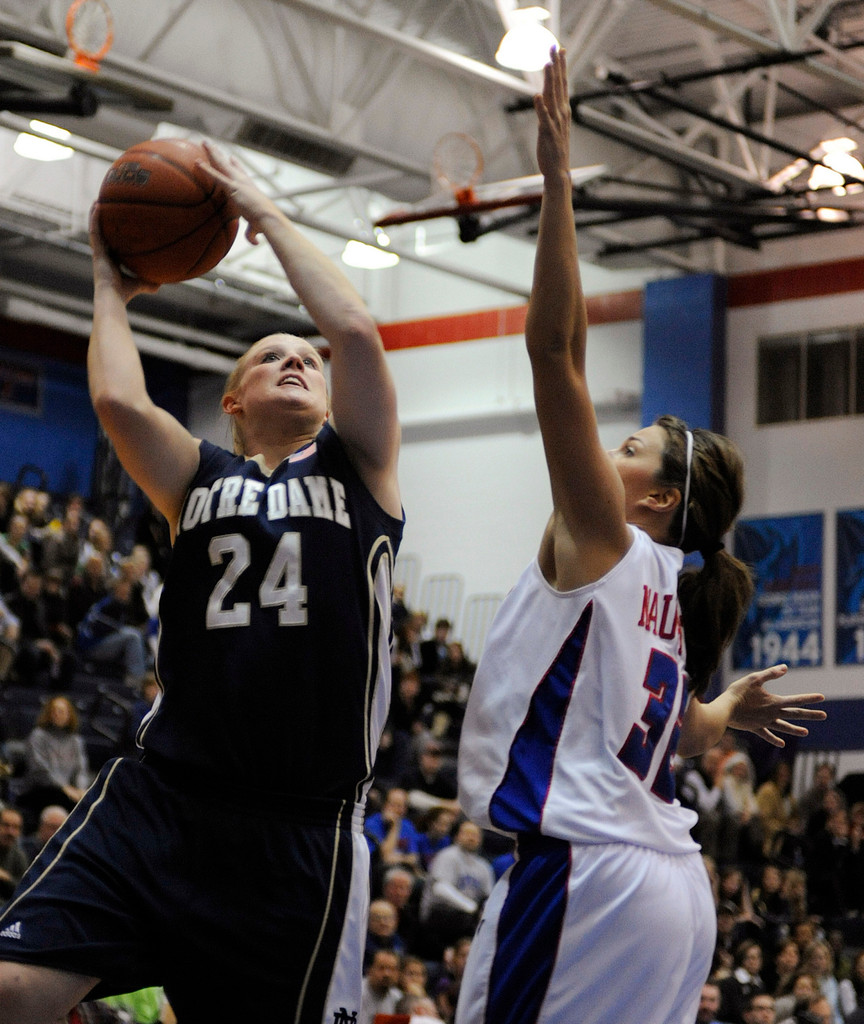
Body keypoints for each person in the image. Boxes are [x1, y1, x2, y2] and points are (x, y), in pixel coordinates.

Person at [452, 49, 826, 1024]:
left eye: (631, 445)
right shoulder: (666, 576)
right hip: (670, 889)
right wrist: (715, 716)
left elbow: (554, 351)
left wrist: (557, 182)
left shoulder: (608, 538)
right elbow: (660, 728)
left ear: (659, 498)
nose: (608, 445)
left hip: (585, 874)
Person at [0, 140, 402, 1024]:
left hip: (296, 829)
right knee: (12, 990)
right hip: (164, 797)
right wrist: (111, 283)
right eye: (270, 357)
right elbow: (118, 405)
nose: (298, 360)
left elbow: (357, 331)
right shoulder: (200, 478)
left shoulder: (360, 468)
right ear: (232, 399)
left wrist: (258, 208)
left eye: (308, 358)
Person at [419, 820, 494, 961]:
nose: (471, 838)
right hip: (439, 916)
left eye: (475, 835)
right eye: (467, 833)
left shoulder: (484, 866)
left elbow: (488, 897)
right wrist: (472, 908)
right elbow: (440, 889)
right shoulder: (448, 856)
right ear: (457, 836)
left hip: (467, 919)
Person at [16, 695, 91, 826]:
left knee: (87, 801)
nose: (57, 714)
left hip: (68, 793)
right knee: (60, 796)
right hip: (40, 789)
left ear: (69, 715)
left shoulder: (76, 740)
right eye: (54, 711)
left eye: (62, 711)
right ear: (48, 714)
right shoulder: (38, 735)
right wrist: (64, 787)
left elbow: (81, 769)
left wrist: (81, 789)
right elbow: (39, 769)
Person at [358, 949, 402, 1024]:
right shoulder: (357, 992)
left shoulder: (397, 998)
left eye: (392, 969)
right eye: (381, 968)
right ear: (370, 970)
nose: (387, 974)